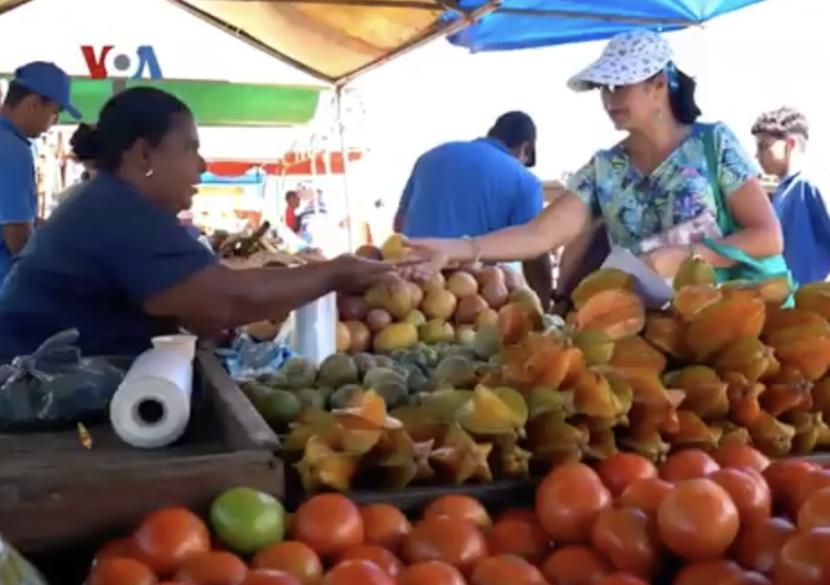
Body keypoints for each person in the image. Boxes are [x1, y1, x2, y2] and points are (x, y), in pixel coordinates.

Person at [0, 87, 394, 358]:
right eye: (191, 149)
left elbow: (196, 299)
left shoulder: (110, 200)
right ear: (144, 155)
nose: (202, 166)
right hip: (28, 404)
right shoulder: (117, 211)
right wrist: (336, 273)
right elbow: (220, 302)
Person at [402, 31, 783, 291]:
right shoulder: (605, 170)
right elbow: (539, 235)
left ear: (658, 86)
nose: (609, 98)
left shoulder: (713, 144)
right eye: (604, 88)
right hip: (652, 337)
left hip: (738, 330)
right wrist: (457, 248)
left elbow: (768, 236)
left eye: (620, 85)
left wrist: (685, 256)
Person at [394, 111, 552, 308]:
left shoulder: (428, 158)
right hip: (473, 298)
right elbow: (535, 253)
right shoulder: (525, 180)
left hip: (407, 288)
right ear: (525, 148)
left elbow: (399, 223)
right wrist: (545, 306)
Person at [0, 62, 80, 283]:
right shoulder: (13, 150)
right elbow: (17, 237)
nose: (53, 123)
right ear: (34, 104)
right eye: (54, 112)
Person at [752, 107, 830, 284]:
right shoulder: (781, 193)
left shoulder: (809, 184)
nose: (757, 155)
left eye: (763, 146)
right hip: (793, 304)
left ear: (790, 144)